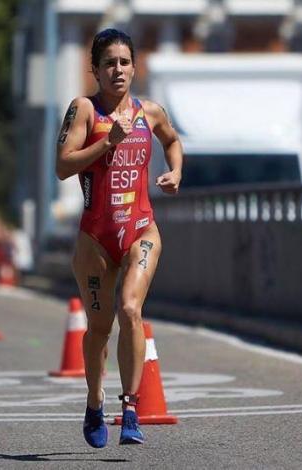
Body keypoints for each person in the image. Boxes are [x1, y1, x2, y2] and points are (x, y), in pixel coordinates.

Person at [55, 28, 183, 447]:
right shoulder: (84, 111)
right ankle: (94, 401)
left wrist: (176, 171)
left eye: (124, 62)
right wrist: (107, 142)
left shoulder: (150, 111)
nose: (118, 70)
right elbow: (62, 165)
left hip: (140, 229)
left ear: (134, 66)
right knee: (97, 329)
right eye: (109, 63)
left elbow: (172, 140)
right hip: (95, 239)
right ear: (95, 69)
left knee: (130, 308)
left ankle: (131, 409)